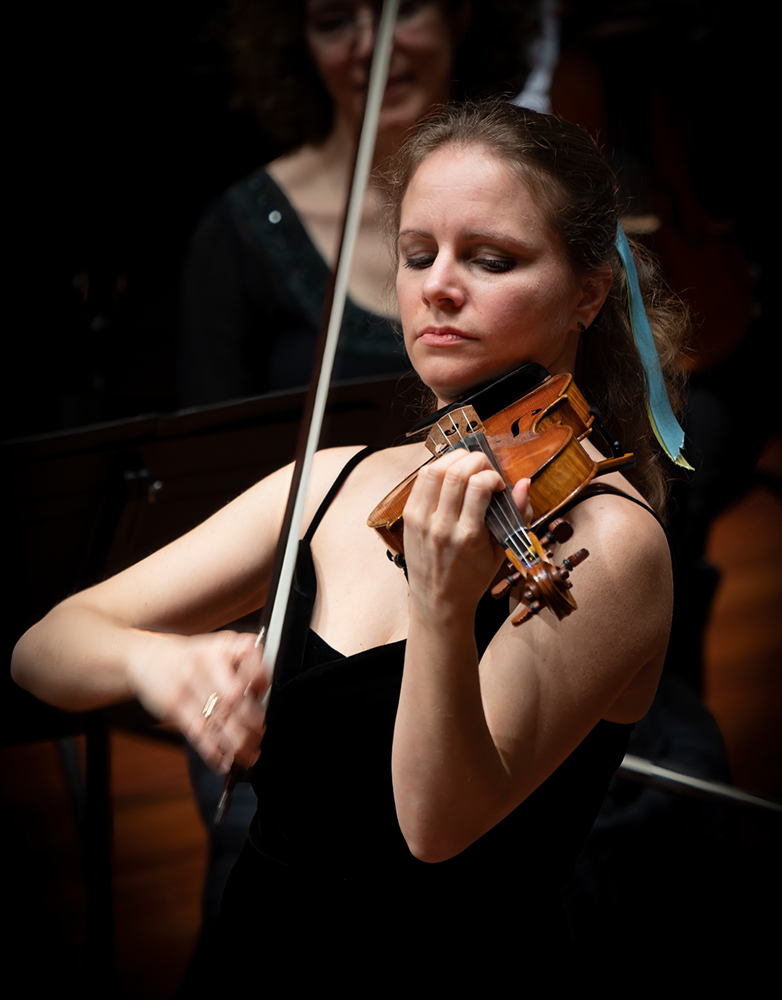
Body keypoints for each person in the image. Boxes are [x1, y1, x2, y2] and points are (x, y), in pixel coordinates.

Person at [12, 99, 689, 987]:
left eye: (491, 259)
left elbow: (437, 826)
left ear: (590, 290)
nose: (438, 286)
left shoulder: (614, 541)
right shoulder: (334, 479)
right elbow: (43, 648)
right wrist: (157, 669)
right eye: (417, 255)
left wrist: (444, 608)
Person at [177, 0, 539, 404]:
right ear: (303, 46)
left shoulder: (538, 204)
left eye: (401, 10)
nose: (370, 46)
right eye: (334, 22)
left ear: (457, 15)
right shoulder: (236, 235)